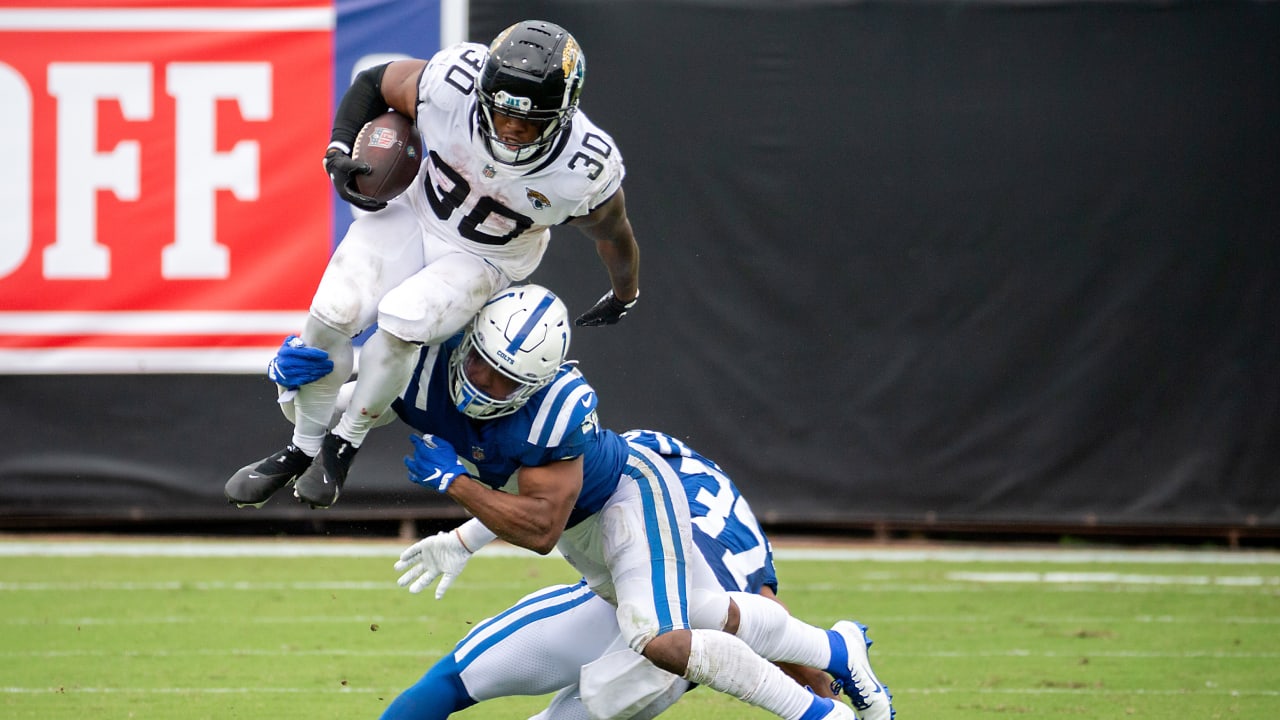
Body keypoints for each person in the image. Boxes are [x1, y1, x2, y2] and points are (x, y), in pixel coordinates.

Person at [374, 284, 895, 720]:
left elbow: (542, 522)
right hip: (598, 559)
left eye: (505, 377)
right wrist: (301, 386)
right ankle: (835, 649)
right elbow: (364, 377)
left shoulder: (558, 412)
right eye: (480, 363)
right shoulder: (437, 374)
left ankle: (820, 715)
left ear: (535, 383)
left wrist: (454, 484)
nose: (482, 383)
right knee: (455, 676)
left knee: (662, 639)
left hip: (627, 508)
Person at [224, 19, 640, 510]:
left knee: (405, 319)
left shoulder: (582, 168)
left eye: (527, 120)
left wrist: (624, 292)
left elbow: (615, 234)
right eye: (502, 111)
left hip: (484, 255)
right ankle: (302, 448)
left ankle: (343, 445)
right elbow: (373, 82)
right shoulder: (452, 83)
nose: (510, 127)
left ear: (563, 115)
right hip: (415, 217)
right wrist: (338, 149)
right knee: (331, 312)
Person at [382, 429, 846, 720]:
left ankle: (823, 695)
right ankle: (834, 678)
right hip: (677, 660)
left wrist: (464, 535)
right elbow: (774, 622)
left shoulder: (636, 470)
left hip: (632, 618)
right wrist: (830, 683)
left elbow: (554, 499)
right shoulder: (742, 537)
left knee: (451, 681)